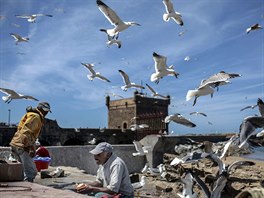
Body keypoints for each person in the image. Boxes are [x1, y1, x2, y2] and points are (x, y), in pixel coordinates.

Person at [10, 102, 51, 182]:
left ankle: (21, 188)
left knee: (20, 171)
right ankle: (27, 191)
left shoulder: (31, 114)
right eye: (46, 111)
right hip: (22, 145)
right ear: (42, 109)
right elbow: (26, 131)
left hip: (16, 143)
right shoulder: (35, 117)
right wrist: (29, 147)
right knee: (31, 172)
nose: (46, 113)